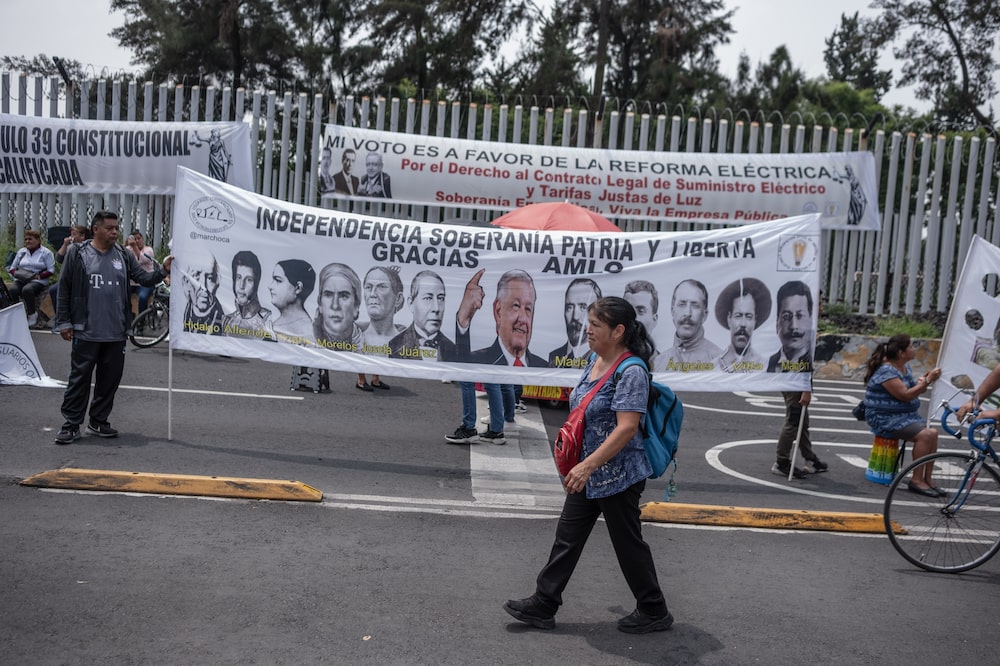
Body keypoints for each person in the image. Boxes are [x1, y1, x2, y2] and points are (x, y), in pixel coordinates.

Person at [503, 296, 672, 634]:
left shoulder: (632, 370)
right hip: (589, 472)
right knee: (568, 536)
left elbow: (627, 427)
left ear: (618, 330)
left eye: (595, 324)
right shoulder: (595, 361)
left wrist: (587, 465)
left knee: (627, 543)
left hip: (618, 474)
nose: (587, 329)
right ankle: (544, 603)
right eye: (588, 323)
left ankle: (654, 609)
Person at [52, 211, 172, 444]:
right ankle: (71, 425)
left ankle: (98, 421)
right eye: (109, 228)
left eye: (116, 227)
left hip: (116, 333)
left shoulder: (123, 255)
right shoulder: (78, 253)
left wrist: (164, 269)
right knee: (80, 379)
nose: (115, 232)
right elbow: (64, 288)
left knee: (109, 381)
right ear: (96, 229)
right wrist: (64, 322)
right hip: (86, 331)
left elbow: (144, 279)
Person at [863, 334, 943, 496]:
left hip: (904, 416)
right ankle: (917, 480)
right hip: (885, 418)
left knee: (933, 433)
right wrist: (926, 382)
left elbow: (915, 388)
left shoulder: (904, 368)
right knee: (925, 435)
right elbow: (905, 395)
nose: (914, 350)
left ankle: (928, 479)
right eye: (911, 347)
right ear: (901, 352)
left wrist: (924, 381)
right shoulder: (887, 371)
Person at [768, 281, 824, 478]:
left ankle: (809, 457)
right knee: (794, 420)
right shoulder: (805, 331)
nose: (822, 308)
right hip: (795, 378)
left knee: (802, 419)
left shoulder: (809, 328)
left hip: (796, 377)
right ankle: (781, 461)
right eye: (819, 303)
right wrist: (806, 389)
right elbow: (805, 362)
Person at [455, 268, 546, 366]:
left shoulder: (544, 369)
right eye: (516, 306)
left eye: (528, 309)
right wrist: (464, 319)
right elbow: (459, 369)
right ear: (498, 311)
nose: (523, 319)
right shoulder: (477, 362)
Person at [388, 270, 457, 361]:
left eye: (441, 298)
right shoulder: (395, 345)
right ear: (411, 304)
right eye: (428, 298)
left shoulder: (453, 350)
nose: (436, 308)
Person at [357, 265, 405, 391]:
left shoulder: (406, 339)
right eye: (368, 287)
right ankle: (361, 380)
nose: (372, 294)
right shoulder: (357, 333)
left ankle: (375, 379)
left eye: (381, 287)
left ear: (398, 299)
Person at [712, 277, 770, 373]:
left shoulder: (765, 367)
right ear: (729, 318)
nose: (743, 324)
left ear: (755, 320)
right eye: (738, 316)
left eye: (748, 316)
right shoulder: (714, 367)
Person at [662, 279, 722, 368]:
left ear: (704, 315)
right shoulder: (658, 362)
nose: (687, 313)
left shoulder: (720, 362)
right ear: (672, 311)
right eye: (682, 304)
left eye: (695, 305)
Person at [548, 278, 601, 368]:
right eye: (569, 307)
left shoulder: (603, 358)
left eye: (583, 307)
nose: (575, 316)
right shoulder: (554, 356)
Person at [7, 229, 55, 328]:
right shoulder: (22, 252)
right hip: (21, 278)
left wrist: (39, 276)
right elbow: (12, 268)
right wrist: (16, 274)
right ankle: (18, 314)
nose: (28, 241)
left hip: (38, 279)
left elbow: (51, 270)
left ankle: (32, 314)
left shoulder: (46, 253)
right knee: (13, 290)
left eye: (30, 239)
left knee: (27, 290)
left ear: (38, 240)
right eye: (26, 239)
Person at [222, 250, 272, 339]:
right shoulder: (227, 320)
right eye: (238, 278)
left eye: (249, 280)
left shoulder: (268, 319)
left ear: (257, 283)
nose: (242, 285)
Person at [268, 259, 316, 345]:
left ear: (297, 288)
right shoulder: (273, 325)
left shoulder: (308, 332)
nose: (270, 286)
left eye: (278, 280)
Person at [48, 225, 90, 320]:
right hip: (68, 279)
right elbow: (59, 258)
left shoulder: (88, 247)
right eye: (71, 234)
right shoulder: (70, 247)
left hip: (81, 279)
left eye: (74, 234)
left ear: (82, 236)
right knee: (54, 290)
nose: (71, 237)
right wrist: (65, 244)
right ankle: (60, 316)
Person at [623, 280, 665, 372]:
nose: (633, 318)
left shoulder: (666, 365)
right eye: (628, 311)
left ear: (654, 319)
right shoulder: (607, 362)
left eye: (640, 311)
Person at [180, 251, 225, 334]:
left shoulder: (222, 321)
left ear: (217, 282)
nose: (203, 287)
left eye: (210, 278)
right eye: (196, 277)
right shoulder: (182, 314)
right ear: (186, 282)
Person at [125, 230, 156, 315]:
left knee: (142, 297)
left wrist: (135, 247)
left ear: (142, 239)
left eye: (139, 238)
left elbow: (141, 260)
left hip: (146, 282)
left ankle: (141, 321)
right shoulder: (128, 250)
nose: (137, 241)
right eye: (134, 239)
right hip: (131, 282)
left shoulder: (148, 250)